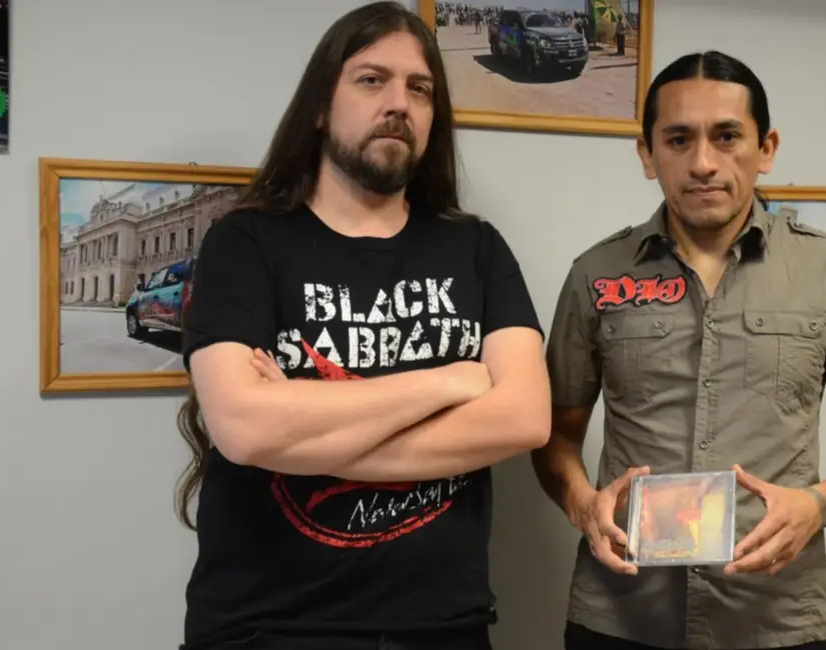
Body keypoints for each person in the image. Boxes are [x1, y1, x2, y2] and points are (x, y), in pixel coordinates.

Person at [174, 3, 550, 649]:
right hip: (268, 626)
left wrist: (304, 434)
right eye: (372, 80)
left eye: (420, 88)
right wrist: (450, 382)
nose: (399, 103)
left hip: (442, 628)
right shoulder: (246, 242)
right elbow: (243, 427)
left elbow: (524, 419)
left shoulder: (476, 248)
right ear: (321, 107)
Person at [533, 50, 826, 650]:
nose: (703, 162)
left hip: (774, 618)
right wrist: (581, 503)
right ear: (647, 154)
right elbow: (555, 434)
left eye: (727, 136)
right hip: (622, 614)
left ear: (766, 148)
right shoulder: (595, 274)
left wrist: (818, 506)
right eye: (678, 139)